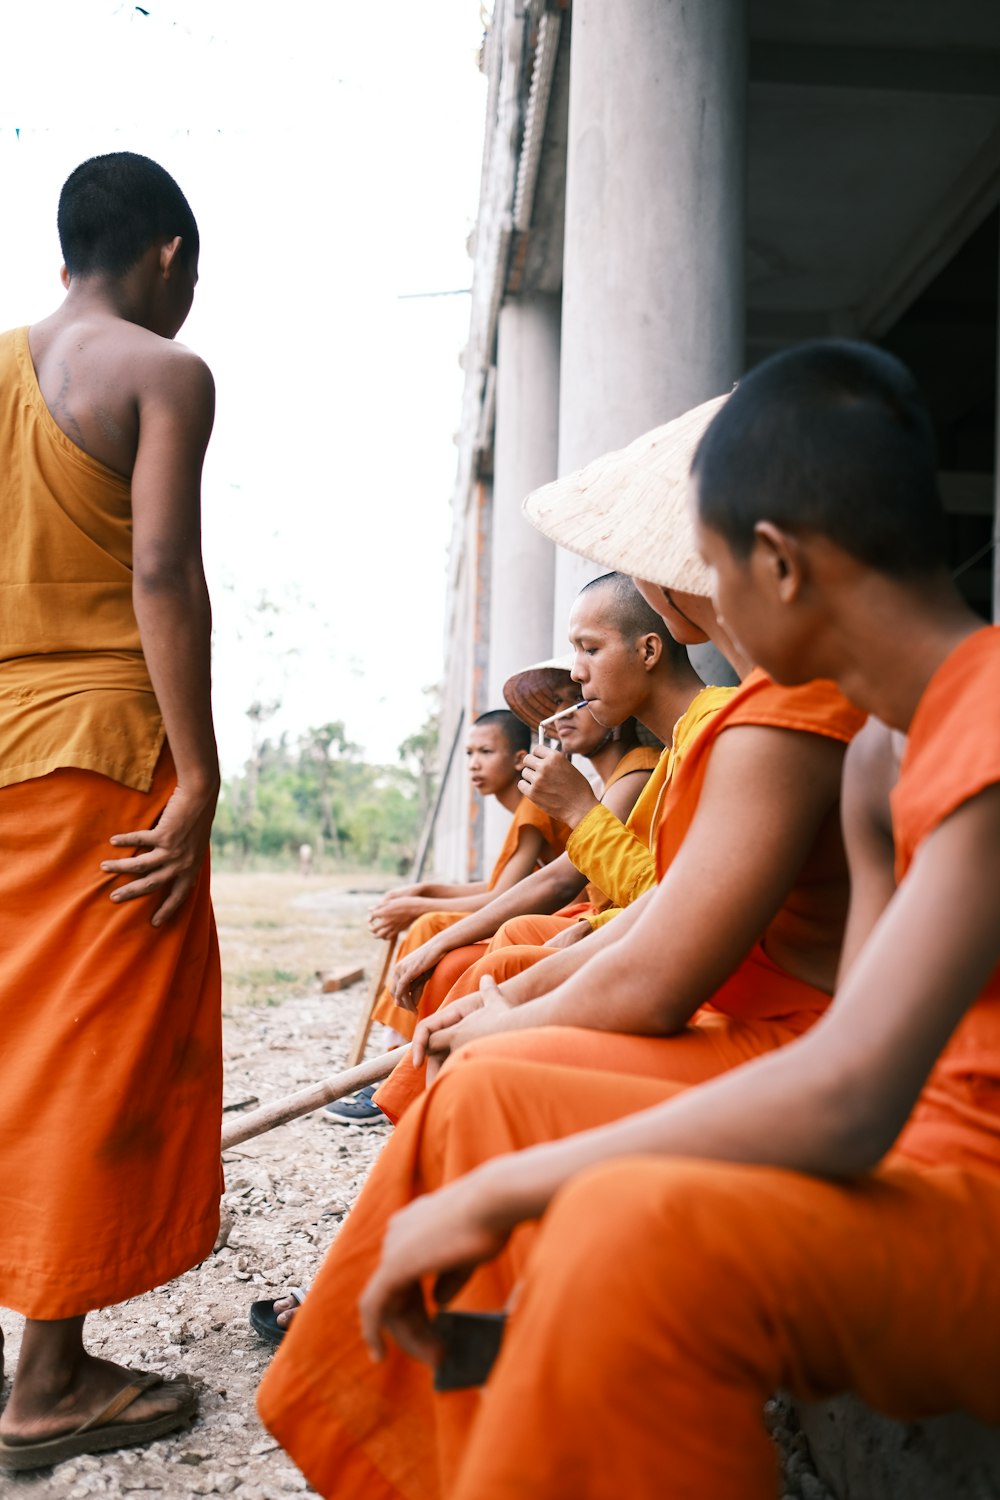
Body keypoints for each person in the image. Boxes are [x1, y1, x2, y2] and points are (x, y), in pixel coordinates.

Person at [265, 341, 1000, 1500]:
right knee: (545, 1142)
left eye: (705, 571)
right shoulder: (879, 760)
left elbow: (850, 1096)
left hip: (965, 1203)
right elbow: (855, 1069)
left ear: (776, 565)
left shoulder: (979, 727)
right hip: (899, 1154)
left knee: (618, 1234)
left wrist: (507, 1189)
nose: (702, 614)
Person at [0, 153, 221, 1472]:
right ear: (169, 257)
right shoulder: (162, 373)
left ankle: (45, 1349)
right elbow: (161, 574)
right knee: (93, 1047)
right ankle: (47, 1379)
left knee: (20, 1039)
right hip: (106, 750)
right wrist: (195, 773)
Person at [327, 708, 570, 1124]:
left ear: (518, 759)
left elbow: (503, 895)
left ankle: (392, 1068)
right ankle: (393, 1066)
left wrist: (419, 907)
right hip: (533, 910)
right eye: (470, 753)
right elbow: (495, 885)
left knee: (428, 924)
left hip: (561, 916)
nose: (474, 764)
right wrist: (426, 892)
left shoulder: (534, 806)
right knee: (427, 918)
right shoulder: (521, 810)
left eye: (487, 751)